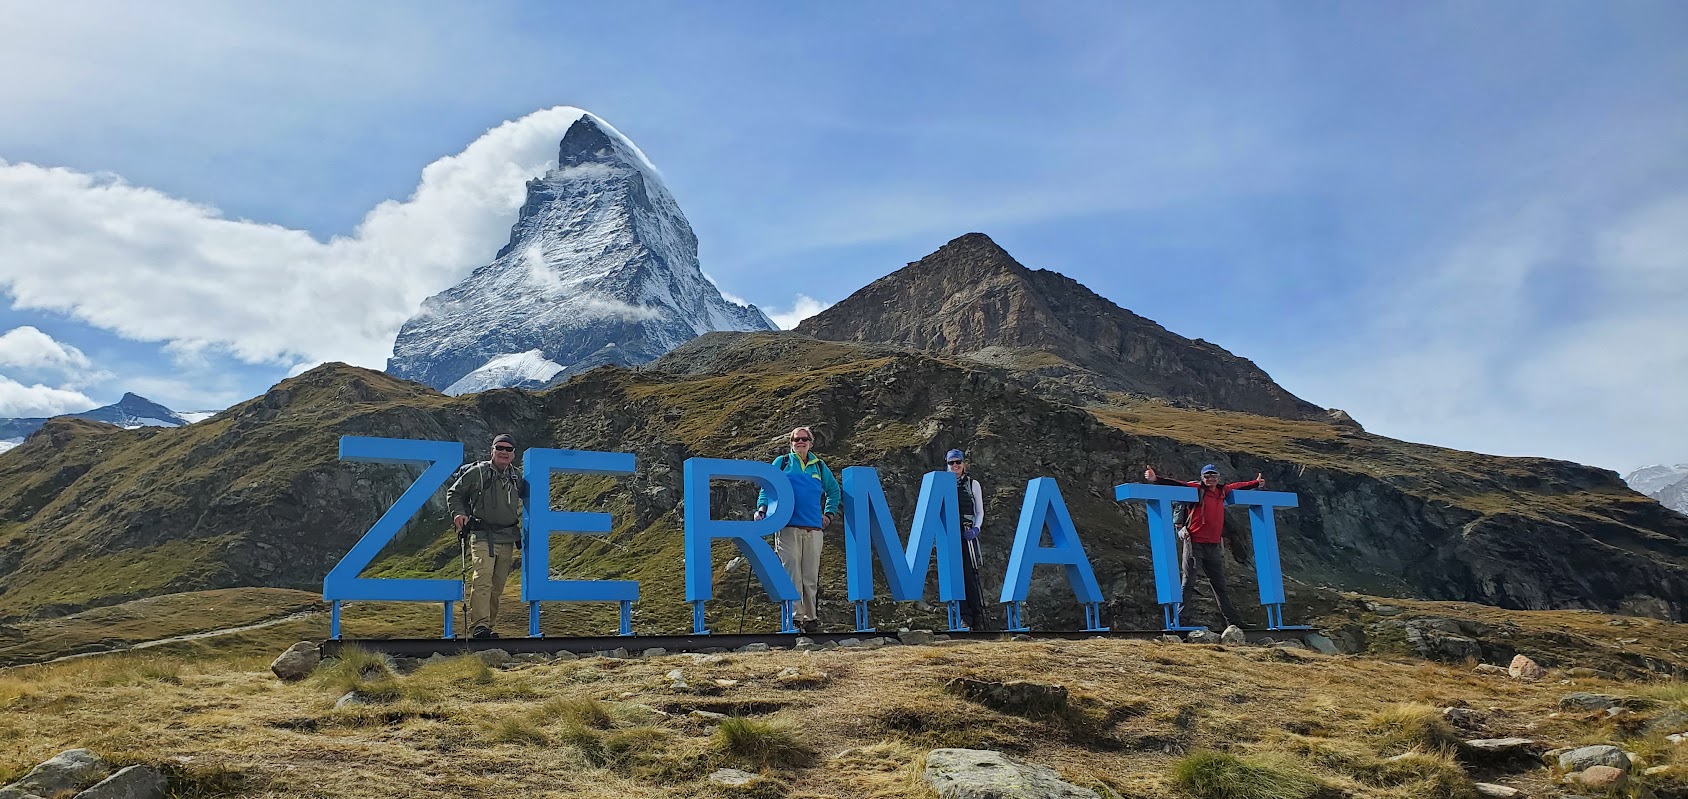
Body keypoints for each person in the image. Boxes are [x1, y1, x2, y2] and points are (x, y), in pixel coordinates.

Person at [1143, 463, 1265, 629]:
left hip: (1213, 545)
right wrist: (1156, 479)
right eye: (1207, 476)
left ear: (1218, 477)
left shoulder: (1223, 491)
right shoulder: (1196, 489)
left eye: (1213, 475)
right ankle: (1180, 620)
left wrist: (1255, 483)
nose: (1210, 478)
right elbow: (1178, 484)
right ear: (1202, 477)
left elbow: (1238, 486)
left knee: (1220, 585)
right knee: (1189, 582)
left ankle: (1234, 622)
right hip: (1194, 543)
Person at [753, 426, 840, 634]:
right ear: (791, 443)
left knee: (810, 576)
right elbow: (767, 488)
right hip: (787, 528)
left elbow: (833, 490)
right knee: (791, 574)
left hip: (813, 530)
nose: (799, 442)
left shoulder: (819, 466)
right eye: (795, 439)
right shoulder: (782, 463)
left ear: (811, 442)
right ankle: (794, 619)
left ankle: (810, 620)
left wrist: (828, 514)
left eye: (804, 439)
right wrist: (761, 508)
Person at [447, 433, 528, 639]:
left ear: (513, 454)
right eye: (499, 448)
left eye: (508, 449)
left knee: (497, 586)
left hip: (508, 538)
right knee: (482, 580)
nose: (504, 452)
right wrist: (458, 513)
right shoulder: (478, 473)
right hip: (482, 535)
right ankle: (479, 627)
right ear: (492, 450)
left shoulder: (517, 477)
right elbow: (454, 493)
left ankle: (487, 628)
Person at [947, 448, 988, 630]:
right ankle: (964, 616)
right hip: (950, 535)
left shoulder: (973, 484)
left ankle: (976, 616)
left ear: (964, 463)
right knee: (956, 575)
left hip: (966, 532)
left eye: (958, 462)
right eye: (951, 463)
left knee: (970, 575)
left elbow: (980, 511)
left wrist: (976, 528)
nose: (955, 465)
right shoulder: (943, 485)